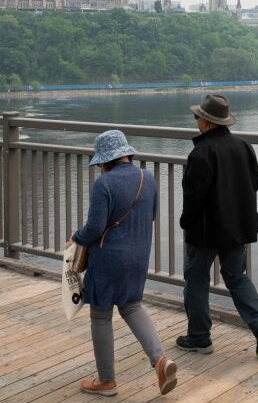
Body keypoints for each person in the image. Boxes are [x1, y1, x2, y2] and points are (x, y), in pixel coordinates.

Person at [73, 130, 178, 397]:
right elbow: (151, 216)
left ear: (105, 161)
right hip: (138, 256)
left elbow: (95, 228)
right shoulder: (148, 177)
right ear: (127, 154)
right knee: (132, 306)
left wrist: (76, 237)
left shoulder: (104, 184)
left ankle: (106, 381)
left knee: (100, 314)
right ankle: (160, 361)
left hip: (108, 257)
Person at [176, 94, 258, 359]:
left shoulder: (201, 152)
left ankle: (199, 337)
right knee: (236, 276)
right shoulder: (244, 146)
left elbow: (193, 197)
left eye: (197, 116)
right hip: (237, 228)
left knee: (196, 281)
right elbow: (252, 185)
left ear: (207, 123)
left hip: (206, 232)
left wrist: (186, 222)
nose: (195, 120)